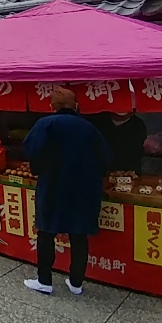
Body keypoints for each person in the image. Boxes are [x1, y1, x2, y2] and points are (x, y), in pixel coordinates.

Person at [23, 87, 112, 296]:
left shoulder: (45, 124)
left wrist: (40, 168)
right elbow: (106, 158)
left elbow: (33, 151)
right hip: (84, 189)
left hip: (54, 185)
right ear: (76, 105)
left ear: (51, 106)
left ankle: (44, 280)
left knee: (46, 232)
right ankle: (76, 283)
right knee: (78, 234)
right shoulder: (90, 128)